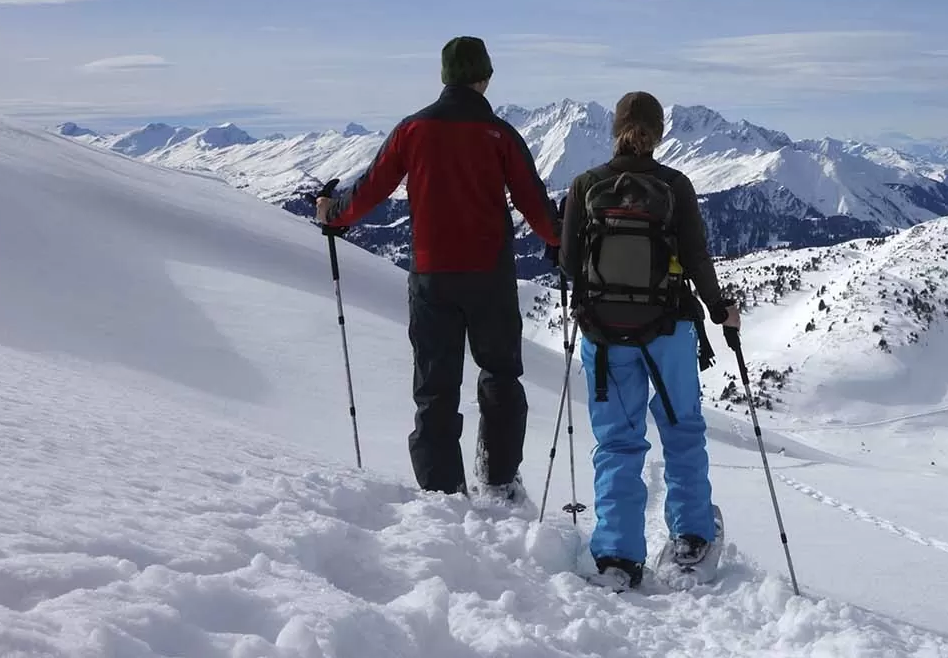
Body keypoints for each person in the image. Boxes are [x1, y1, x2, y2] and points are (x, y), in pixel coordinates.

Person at [317, 36, 560, 500]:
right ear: (485, 77)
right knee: (501, 375)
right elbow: (537, 209)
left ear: (445, 77)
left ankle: (442, 492)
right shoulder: (501, 135)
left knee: (435, 385)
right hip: (489, 275)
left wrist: (332, 212)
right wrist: (562, 239)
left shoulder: (413, 131)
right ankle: (499, 479)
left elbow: (369, 190)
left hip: (431, 276)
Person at [561, 91, 739, 589]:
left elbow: (569, 263)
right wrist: (720, 309)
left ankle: (617, 556)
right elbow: (698, 258)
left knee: (618, 442)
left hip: (604, 333)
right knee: (682, 431)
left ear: (614, 128)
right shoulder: (675, 186)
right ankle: (691, 540)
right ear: (658, 133)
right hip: (668, 329)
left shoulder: (585, 184)